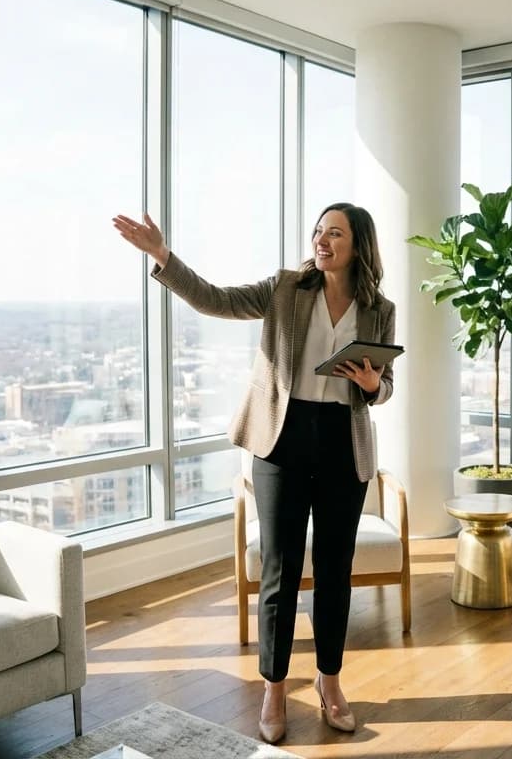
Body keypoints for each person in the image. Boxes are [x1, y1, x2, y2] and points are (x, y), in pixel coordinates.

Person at [112, 204, 395, 745]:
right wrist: (162, 256)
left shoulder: (379, 308)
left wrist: (370, 384)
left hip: (343, 441)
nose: (321, 239)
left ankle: (330, 683)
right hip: (282, 439)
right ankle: (273, 685)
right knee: (280, 569)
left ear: (358, 245)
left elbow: (386, 386)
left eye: (334, 233)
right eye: (318, 230)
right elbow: (216, 300)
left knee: (335, 571)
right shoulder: (286, 288)